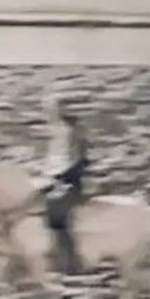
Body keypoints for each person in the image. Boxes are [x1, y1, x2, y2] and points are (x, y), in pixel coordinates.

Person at [43, 94, 90, 273]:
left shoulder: (75, 132)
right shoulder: (61, 131)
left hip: (72, 182)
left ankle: (71, 260)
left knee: (55, 209)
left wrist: (61, 178)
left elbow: (79, 161)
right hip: (60, 179)